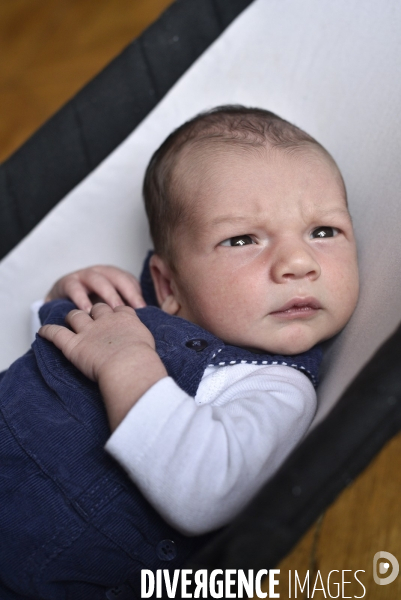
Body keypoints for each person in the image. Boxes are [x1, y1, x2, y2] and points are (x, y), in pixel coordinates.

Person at [0, 106, 359, 598]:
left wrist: (128, 364)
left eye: (324, 231)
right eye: (242, 239)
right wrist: (65, 295)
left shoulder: (274, 386)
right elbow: (43, 365)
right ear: (168, 284)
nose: (299, 262)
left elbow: (206, 494)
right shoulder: (137, 307)